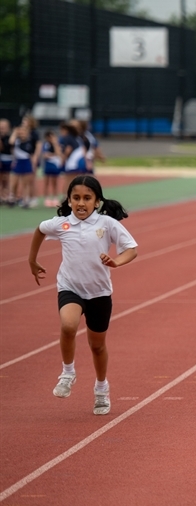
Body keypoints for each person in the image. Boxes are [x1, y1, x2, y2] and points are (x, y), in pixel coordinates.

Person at [28, 175, 138, 415]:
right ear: (68, 200)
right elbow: (39, 230)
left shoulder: (107, 224)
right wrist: (32, 260)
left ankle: (101, 389)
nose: (81, 203)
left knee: (97, 346)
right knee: (68, 326)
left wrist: (116, 262)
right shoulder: (61, 224)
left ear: (97, 202)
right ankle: (67, 373)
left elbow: (131, 249)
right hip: (70, 287)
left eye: (87, 198)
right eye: (76, 198)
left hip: (99, 292)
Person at [9, 120, 40, 208]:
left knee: (25, 183)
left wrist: (33, 164)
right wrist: (15, 133)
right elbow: (11, 142)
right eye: (21, 132)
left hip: (26, 162)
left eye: (24, 132)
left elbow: (30, 154)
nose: (22, 134)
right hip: (18, 161)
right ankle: (12, 198)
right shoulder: (17, 141)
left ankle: (25, 199)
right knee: (14, 181)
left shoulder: (29, 142)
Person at [59, 121, 86, 198]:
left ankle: (68, 196)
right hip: (75, 162)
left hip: (75, 162)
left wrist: (63, 159)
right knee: (71, 180)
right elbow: (69, 149)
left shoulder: (75, 137)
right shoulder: (73, 137)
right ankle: (66, 196)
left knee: (71, 180)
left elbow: (69, 149)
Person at [41, 130, 63, 207]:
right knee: (46, 182)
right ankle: (46, 198)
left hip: (55, 164)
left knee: (55, 182)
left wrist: (54, 143)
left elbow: (58, 153)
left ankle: (55, 198)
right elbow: (44, 155)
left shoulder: (57, 144)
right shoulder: (45, 145)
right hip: (48, 164)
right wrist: (51, 155)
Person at [0, 119, 12, 205]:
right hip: (1, 159)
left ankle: (7, 196)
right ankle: (1, 196)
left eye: (4, 127)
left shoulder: (10, 137)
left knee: (7, 179)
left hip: (8, 159)